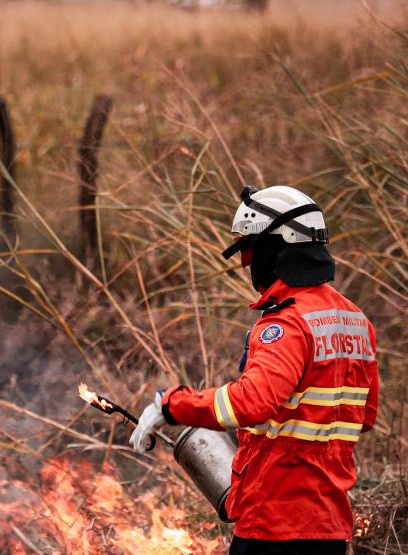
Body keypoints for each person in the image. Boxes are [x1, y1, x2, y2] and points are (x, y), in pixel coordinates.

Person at [130, 185, 379, 554]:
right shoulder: (354, 320)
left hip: (275, 525)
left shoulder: (287, 324)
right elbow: (364, 417)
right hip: (328, 527)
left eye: (249, 253)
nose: (248, 265)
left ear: (278, 247)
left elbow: (252, 403)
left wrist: (172, 406)